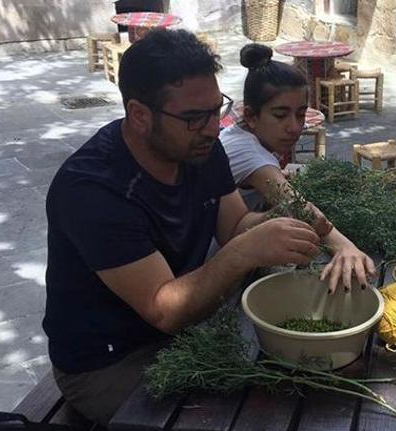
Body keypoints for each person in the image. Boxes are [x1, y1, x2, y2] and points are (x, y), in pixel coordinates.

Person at [43, 30, 323, 426]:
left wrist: (279, 224)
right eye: (194, 117)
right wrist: (246, 250)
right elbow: (164, 310)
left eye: (215, 109)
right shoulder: (92, 189)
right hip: (109, 361)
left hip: (183, 330)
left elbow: (234, 225)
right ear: (140, 115)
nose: (212, 127)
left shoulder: (199, 147)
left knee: (295, 384)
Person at [219, 43, 375, 293]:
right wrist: (345, 247)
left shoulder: (243, 135)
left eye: (300, 114)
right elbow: (298, 208)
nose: (294, 127)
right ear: (250, 115)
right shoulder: (250, 154)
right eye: (280, 115)